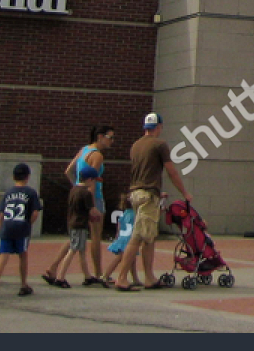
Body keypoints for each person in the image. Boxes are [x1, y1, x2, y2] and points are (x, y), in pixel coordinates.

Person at [113, 113, 191, 291]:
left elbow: (143, 172)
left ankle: (149, 277)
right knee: (139, 236)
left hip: (136, 193)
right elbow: (171, 171)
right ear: (159, 127)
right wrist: (184, 192)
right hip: (148, 196)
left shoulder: (136, 145)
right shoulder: (160, 144)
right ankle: (122, 277)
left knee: (149, 237)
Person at [0, 162, 41, 302]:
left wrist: (2, 227)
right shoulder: (30, 193)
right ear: (27, 177)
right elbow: (35, 212)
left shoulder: (8, 192)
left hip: (7, 226)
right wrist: (28, 224)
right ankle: (23, 284)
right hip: (22, 227)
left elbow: (1, 215)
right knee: (22, 255)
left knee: (3, 256)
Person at [64, 126, 113, 280]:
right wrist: (91, 205)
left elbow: (69, 171)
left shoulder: (84, 150)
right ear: (100, 137)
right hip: (94, 196)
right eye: (110, 137)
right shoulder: (97, 156)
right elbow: (92, 182)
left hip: (79, 194)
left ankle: (53, 267)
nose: (112, 141)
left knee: (76, 234)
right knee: (96, 236)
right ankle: (98, 272)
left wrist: (77, 187)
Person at [45, 166, 102, 287]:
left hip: (72, 222)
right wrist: (99, 215)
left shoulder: (74, 190)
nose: (95, 183)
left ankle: (87, 276)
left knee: (81, 250)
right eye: (94, 180)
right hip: (80, 224)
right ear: (90, 180)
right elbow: (92, 210)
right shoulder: (86, 193)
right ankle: (60, 277)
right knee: (73, 250)